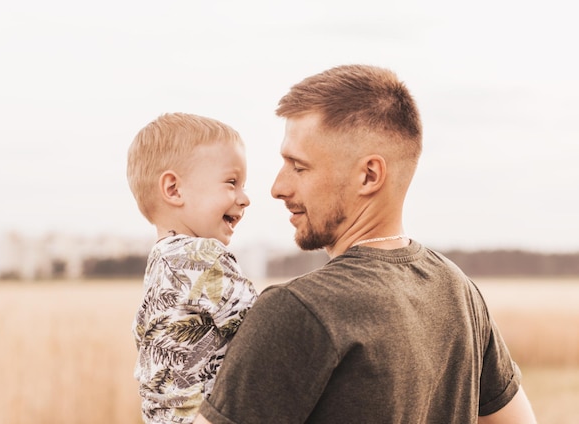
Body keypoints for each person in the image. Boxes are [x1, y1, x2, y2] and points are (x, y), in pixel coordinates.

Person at [195, 65, 537, 423]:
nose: (278, 188)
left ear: (369, 176)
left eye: (299, 167)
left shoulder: (298, 311)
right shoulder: (457, 290)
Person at [127, 112, 258, 424]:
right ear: (173, 189)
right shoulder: (201, 256)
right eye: (231, 182)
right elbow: (264, 324)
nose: (245, 198)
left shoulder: (159, 264)